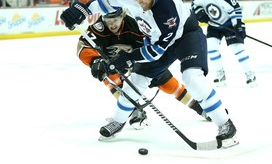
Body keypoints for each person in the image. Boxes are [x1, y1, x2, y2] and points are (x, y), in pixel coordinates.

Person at [60, 0, 238, 148]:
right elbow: (103, 2)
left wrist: (129, 58)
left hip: (186, 36)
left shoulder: (167, 10)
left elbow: (157, 52)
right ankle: (118, 121)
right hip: (156, 41)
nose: (139, 3)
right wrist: (83, 10)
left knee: (192, 78)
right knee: (136, 81)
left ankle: (225, 124)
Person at [77, 8, 210, 129]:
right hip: (115, 64)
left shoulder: (135, 25)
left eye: (115, 20)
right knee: (110, 79)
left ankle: (199, 108)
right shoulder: (99, 27)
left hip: (139, 60)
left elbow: (153, 48)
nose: (112, 25)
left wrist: (149, 68)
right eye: (108, 21)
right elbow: (82, 46)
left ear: (122, 16)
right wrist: (94, 60)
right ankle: (135, 110)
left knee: (169, 85)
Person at [191, 0, 257, 87]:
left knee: (238, 49)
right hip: (213, 25)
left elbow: (235, 9)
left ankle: (250, 74)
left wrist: (239, 26)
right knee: (211, 48)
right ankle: (220, 75)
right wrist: (200, 14)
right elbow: (194, 7)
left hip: (228, 25)